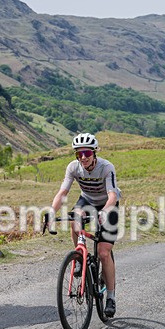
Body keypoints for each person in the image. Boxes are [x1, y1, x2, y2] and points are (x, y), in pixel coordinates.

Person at [49, 133, 121, 317]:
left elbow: (112, 195)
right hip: (86, 201)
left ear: (94, 152)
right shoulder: (73, 168)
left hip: (108, 204)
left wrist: (104, 212)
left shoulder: (106, 167)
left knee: (104, 253)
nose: (83, 158)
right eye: (79, 154)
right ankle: (80, 254)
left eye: (87, 153)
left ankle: (111, 297)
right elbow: (63, 192)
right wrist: (51, 212)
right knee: (75, 218)